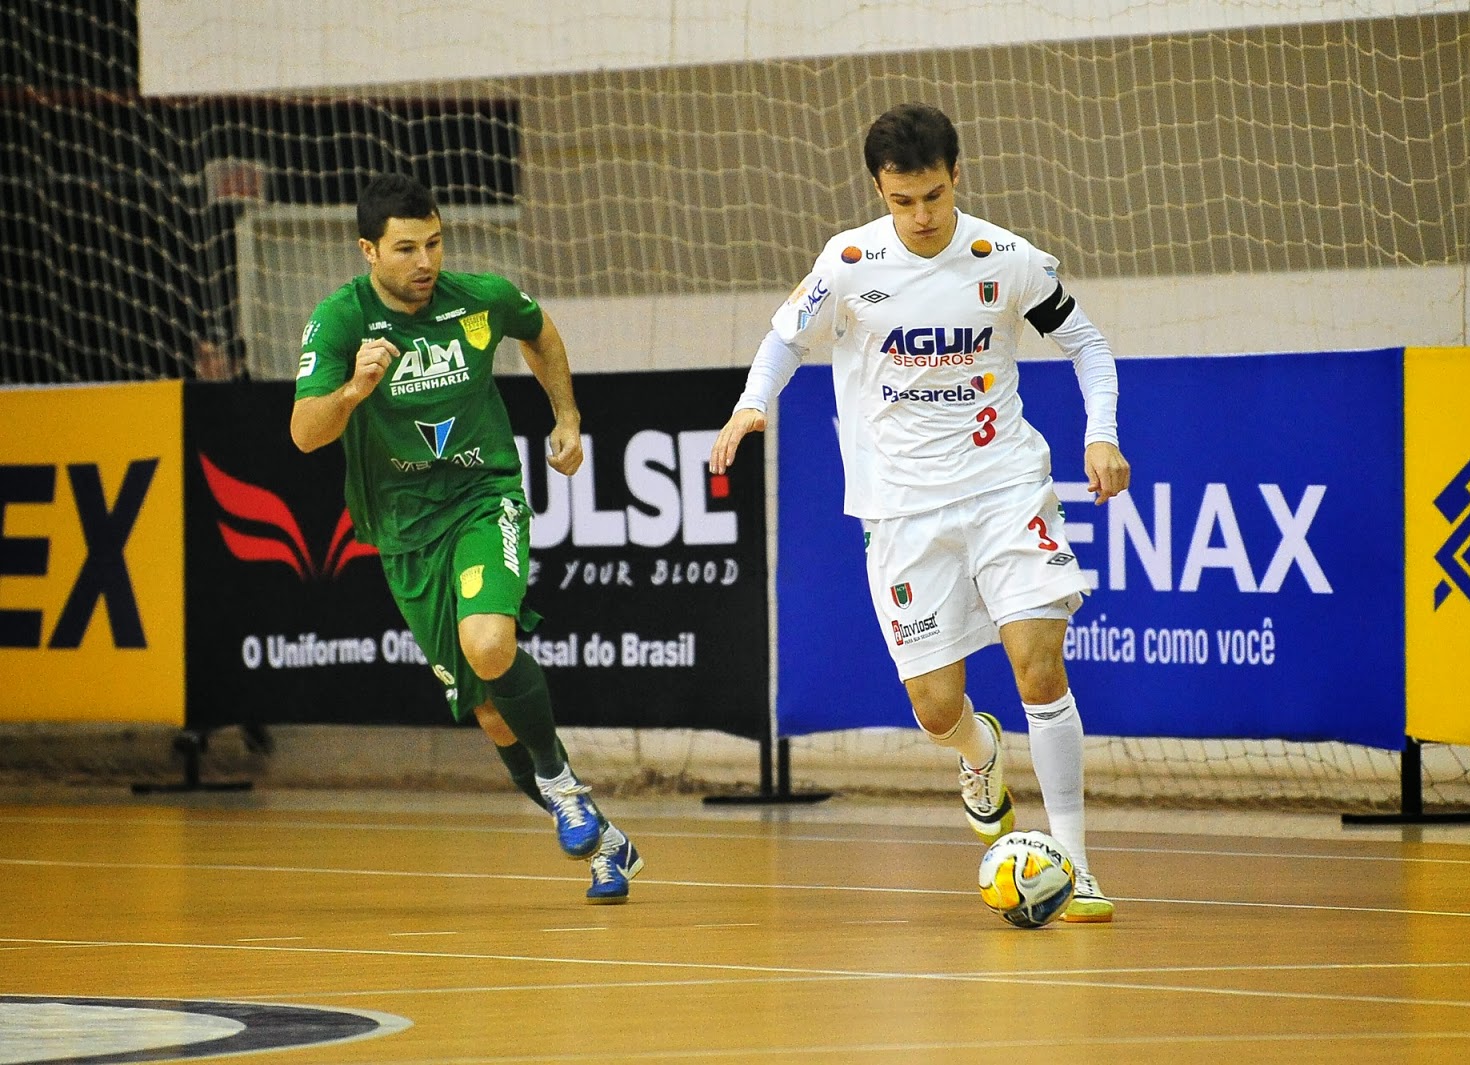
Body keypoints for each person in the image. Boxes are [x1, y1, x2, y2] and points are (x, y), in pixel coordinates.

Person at [710, 103, 1129, 922]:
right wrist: (751, 403)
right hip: (900, 510)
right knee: (937, 706)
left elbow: (1089, 343)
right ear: (880, 191)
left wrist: (1100, 433)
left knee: (1039, 666)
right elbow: (785, 340)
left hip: (1006, 483)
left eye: (933, 196)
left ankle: (1077, 862)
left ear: (956, 175)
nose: (921, 217)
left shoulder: (1003, 258)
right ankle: (979, 754)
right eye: (903, 201)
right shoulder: (850, 261)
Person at [290, 174, 642, 903]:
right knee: (488, 706)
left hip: (484, 495)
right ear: (368, 251)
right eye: (407, 248)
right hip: (402, 529)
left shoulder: (477, 296)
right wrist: (353, 391)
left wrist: (566, 416)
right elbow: (303, 434)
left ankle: (564, 787)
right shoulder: (338, 322)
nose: (426, 261)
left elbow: (538, 330)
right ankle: (606, 840)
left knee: (489, 642)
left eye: (436, 242)